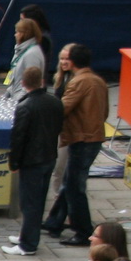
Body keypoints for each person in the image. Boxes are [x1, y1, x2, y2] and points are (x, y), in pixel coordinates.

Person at [43, 44, 106, 247]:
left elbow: (63, 108)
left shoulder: (79, 82)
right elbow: (104, 112)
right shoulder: (98, 80)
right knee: (69, 182)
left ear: (73, 61)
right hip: (92, 136)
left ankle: (83, 231)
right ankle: (54, 222)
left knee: (74, 188)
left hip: (82, 138)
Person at [4, 65, 65, 257]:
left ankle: (28, 244)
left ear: (22, 83)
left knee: (29, 203)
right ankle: (28, 235)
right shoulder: (55, 102)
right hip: (48, 157)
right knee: (38, 201)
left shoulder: (25, 106)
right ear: (42, 81)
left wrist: (14, 163)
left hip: (32, 161)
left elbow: (18, 137)